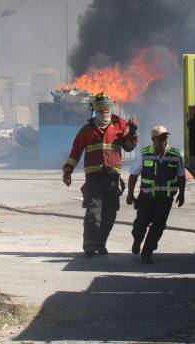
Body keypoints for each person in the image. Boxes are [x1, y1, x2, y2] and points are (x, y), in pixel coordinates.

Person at [62, 92, 138, 257]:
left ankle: (101, 243)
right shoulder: (87, 130)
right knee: (93, 211)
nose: (104, 110)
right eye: (99, 107)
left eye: (106, 107)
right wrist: (68, 170)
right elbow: (75, 152)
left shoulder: (120, 125)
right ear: (94, 109)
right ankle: (89, 246)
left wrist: (132, 133)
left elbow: (129, 147)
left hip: (112, 177)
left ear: (111, 107)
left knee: (110, 212)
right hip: (94, 177)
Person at [126, 125, 185, 263]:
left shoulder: (175, 155)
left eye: (165, 137)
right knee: (140, 225)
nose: (163, 140)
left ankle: (147, 252)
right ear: (153, 139)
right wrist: (130, 194)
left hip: (165, 199)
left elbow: (181, 176)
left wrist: (181, 194)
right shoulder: (144, 153)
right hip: (146, 198)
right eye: (160, 138)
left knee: (158, 226)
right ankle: (137, 241)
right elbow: (134, 175)